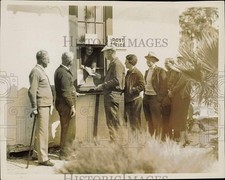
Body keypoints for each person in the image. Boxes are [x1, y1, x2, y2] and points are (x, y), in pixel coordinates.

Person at [28, 50, 54, 166]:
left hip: (45, 105)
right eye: (47, 58)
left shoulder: (40, 71)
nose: (49, 60)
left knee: (41, 131)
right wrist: (34, 107)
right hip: (41, 105)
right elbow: (32, 91)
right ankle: (43, 158)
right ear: (42, 59)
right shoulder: (36, 71)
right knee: (43, 132)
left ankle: (36, 153)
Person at [95, 45, 125, 142]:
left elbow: (117, 80)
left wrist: (103, 85)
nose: (104, 55)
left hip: (113, 96)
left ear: (111, 52)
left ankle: (116, 143)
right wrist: (101, 77)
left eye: (105, 52)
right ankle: (114, 141)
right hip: (110, 95)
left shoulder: (117, 64)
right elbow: (112, 78)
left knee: (113, 121)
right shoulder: (113, 63)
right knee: (111, 120)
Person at [54, 52, 76, 159]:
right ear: (69, 61)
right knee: (68, 129)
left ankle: (66, 152)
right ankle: (64, 154)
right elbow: (65, 92)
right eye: (72, 60)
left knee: (66, 128)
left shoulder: (60, 70)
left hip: (63, 103)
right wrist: (72, 106)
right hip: (66, 105)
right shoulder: (63, 73)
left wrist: (74, 92)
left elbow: (67, 89)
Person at [164, 58, 191, 146]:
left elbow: (180, 84)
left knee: (181, 118)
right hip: (178, 97)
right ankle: (185, 139)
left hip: (183, 97)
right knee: (179, 118)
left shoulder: (185, 72)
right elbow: (173, 83)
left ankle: (182, 140)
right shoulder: (179, 72)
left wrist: (172, 91)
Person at [143, 51, 168, 138]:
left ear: (154, 60)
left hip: (155, 99)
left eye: (150, 59)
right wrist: (144, 96)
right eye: (147, 59)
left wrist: (159, 99)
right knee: (149, 120)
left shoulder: (160, 71)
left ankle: (159, 139)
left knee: (156, 120)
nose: (148, 61)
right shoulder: (147, 71)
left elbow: (164, 86)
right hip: (147, 98)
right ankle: (151, 138)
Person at [124, 54, 145, 135]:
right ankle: (133, 139)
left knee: (135, 121)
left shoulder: (137, 73)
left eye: (126, 61)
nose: (124, 63)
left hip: (135, 100)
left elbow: (142, 86)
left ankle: (137, 140)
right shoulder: (128, 72)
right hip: (128, 100)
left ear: (130, 62)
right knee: (130, 121)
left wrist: (133, 90)